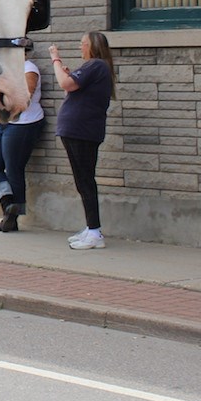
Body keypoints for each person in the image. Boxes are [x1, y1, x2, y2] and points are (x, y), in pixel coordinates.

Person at [49, 31, 116, 250]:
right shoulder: (95, 67)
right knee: (83, 180)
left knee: (85, 180)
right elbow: (75, 86)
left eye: (83, 44)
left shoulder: (95, 65)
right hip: (79, 130)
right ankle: (91, 227)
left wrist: (55, 59)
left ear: (93, 46)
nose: (80, 47)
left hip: (81, 131)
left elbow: (65, 84)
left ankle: (95, 232)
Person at [0, 56, 45, 232]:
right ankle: (8, 205)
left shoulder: (29, 68)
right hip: (4, 123)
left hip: (23, 124)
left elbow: (25, 97)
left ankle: (12, 217)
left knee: (13, 170)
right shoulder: (4, 70)